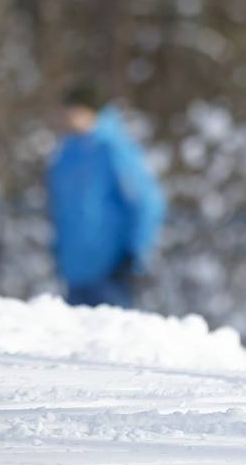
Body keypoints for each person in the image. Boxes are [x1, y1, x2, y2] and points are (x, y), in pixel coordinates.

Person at [46, 85, 167, 309]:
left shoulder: (114, 148)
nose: (65, 118)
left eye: (72, 110)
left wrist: (134, 252)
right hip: (73, 272)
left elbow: (148, 201)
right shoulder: (66, 152)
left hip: (110, 272)